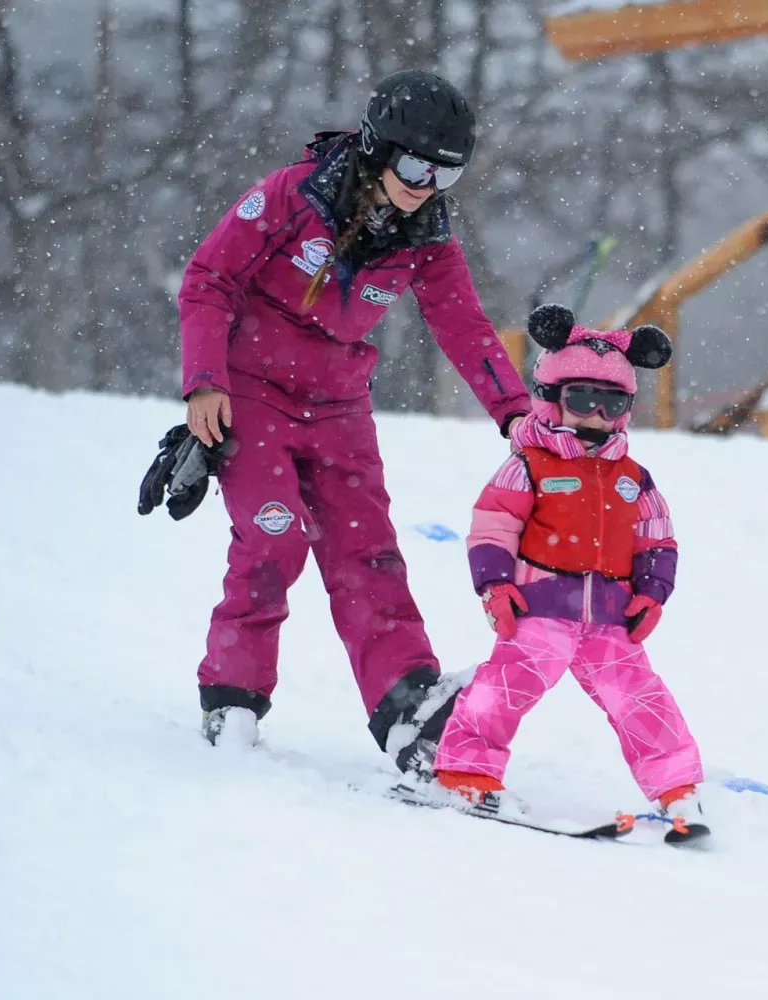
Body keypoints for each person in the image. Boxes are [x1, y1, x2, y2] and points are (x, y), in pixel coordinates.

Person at [168, 69, 531, 772]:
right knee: (273, 541)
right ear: (375, 146)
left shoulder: (426, 235)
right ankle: (233, 700)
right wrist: (203, 384)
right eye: (415, 164)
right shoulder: (290, 196)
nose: (425, 184)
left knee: (368, 553)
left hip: (338, 406)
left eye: (445, 174)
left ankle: (406, 706)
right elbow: (208, 281)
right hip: (253, 395)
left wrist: (514, 412)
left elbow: (464, 326)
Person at [430, 303, 708, 835]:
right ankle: (466, 771)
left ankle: (678, 789)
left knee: (642, 699)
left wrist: (652, 593)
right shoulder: (530, 463)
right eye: (583, 399)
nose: (597, 415)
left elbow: (657, 539)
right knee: (503, 689)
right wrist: (495, 586)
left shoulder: (633, 477)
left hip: (610, 618)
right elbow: (493, 527)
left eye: (613, 403)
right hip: (540, 611)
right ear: (553, 399)